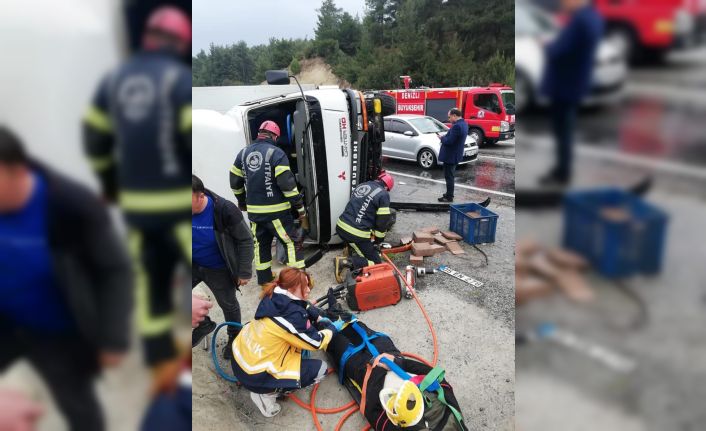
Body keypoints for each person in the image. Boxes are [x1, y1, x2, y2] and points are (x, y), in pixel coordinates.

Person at [82, 6, 193, 391]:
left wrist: (110, 182)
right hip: (175, 204)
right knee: (200, 264)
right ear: (179, 44)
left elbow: (94, 139)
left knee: (150, 283)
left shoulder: (113, 81)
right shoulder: (178, 81)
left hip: (135, 206)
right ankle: (203, 332)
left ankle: (159, 362)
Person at [0, 127, 132, 431]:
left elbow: (115, 269)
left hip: (57, 330)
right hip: (5, 322)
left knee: (77, 403)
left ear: (17, 171)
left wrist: (113, 338)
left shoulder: (70, 204)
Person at [319, 307, 468, 430]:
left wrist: (375, 372)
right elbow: (439, 380)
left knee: (335, 341)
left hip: (368, 375)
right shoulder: (453, 421)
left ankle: (319, 321)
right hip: (392, 359)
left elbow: (373, 412)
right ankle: (336, 312)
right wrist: (398, 362)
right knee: (367, 333)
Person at [231, 268, 336, 417]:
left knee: (296, 344)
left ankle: (264, 387)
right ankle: (266, 395)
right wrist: (331, 329)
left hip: (241, 360)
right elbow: (316, 343)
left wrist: (315, 315)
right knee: (320, 369)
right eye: (304, 286)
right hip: (255, 376)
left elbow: (300, 304)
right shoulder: (293, 317)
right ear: (291, 288)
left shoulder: (273, 294)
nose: (308, 290)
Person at [230, 121, 307, 286]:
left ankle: (265, 283)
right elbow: (287, 185)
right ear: (275, 137)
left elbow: (235, 182)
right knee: (292, 243)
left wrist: (242, 201)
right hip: (277, 213)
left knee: (261, 246)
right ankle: (296, 283)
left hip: (255, 213)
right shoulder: (276, 153)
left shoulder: (243, 154)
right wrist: (300, 207)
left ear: (259, 133)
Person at [539, 0, 603, 186]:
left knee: (563, 131)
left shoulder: (580, 20)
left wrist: (546, 46)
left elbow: (560, 50)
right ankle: (562, 170)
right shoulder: (592, 17)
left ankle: (562, 173)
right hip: (574, 83)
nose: (563, 3)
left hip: (565, 85)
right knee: (564, 130)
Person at [191, 174, 254, 359]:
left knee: (228, 304)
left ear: (201, 196)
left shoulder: (224, 210)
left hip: (217, 268)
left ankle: (234, 337)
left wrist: (244, 271)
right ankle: (203, 324)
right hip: (192, 264)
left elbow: (246, 240)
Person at [334, 172, 394, 283]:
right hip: (355, 234)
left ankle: (349, 247)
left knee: (362, 241)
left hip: (341, 225)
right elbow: (382, 222)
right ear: (387, 187)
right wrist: (378, 240)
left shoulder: (363, 185)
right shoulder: (383, 194)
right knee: (377, 264)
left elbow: (360, 209)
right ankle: (344, 262)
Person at [438, 108, 468, 203]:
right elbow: (454, 138)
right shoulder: (464, 124)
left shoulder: (457, 126)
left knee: (449, 177)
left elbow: (450, 141)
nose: (449, 119)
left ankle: (449, 197)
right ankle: (448, 193)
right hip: (455, 154)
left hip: (450, 156)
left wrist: (442, 138)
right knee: (450, 176)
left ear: (454, 116)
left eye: (449, 117)